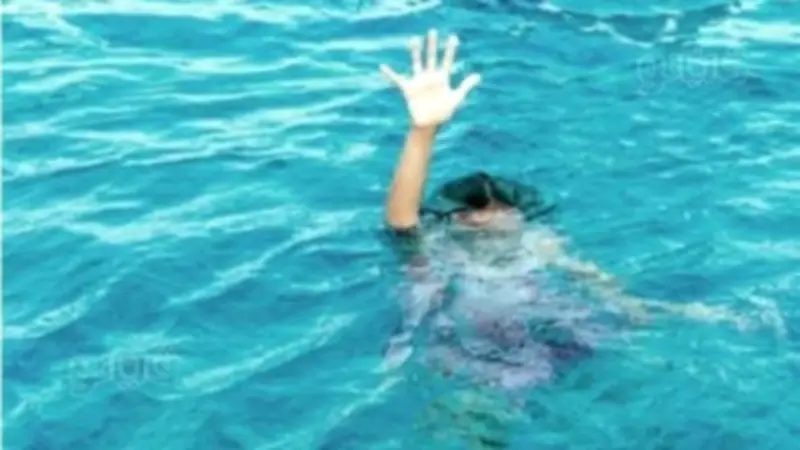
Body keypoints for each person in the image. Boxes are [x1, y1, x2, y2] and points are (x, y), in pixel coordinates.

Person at [378, 30, 748, 375]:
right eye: (471, 211)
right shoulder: (438, 250)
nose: (485, 220)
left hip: (549, 334)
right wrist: (423, 131)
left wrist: (637, 307)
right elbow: (401, 222)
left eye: (499, 210)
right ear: (453, 218)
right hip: (467, 349)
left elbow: (595, 280)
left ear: (519, 216)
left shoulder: (537, 242)